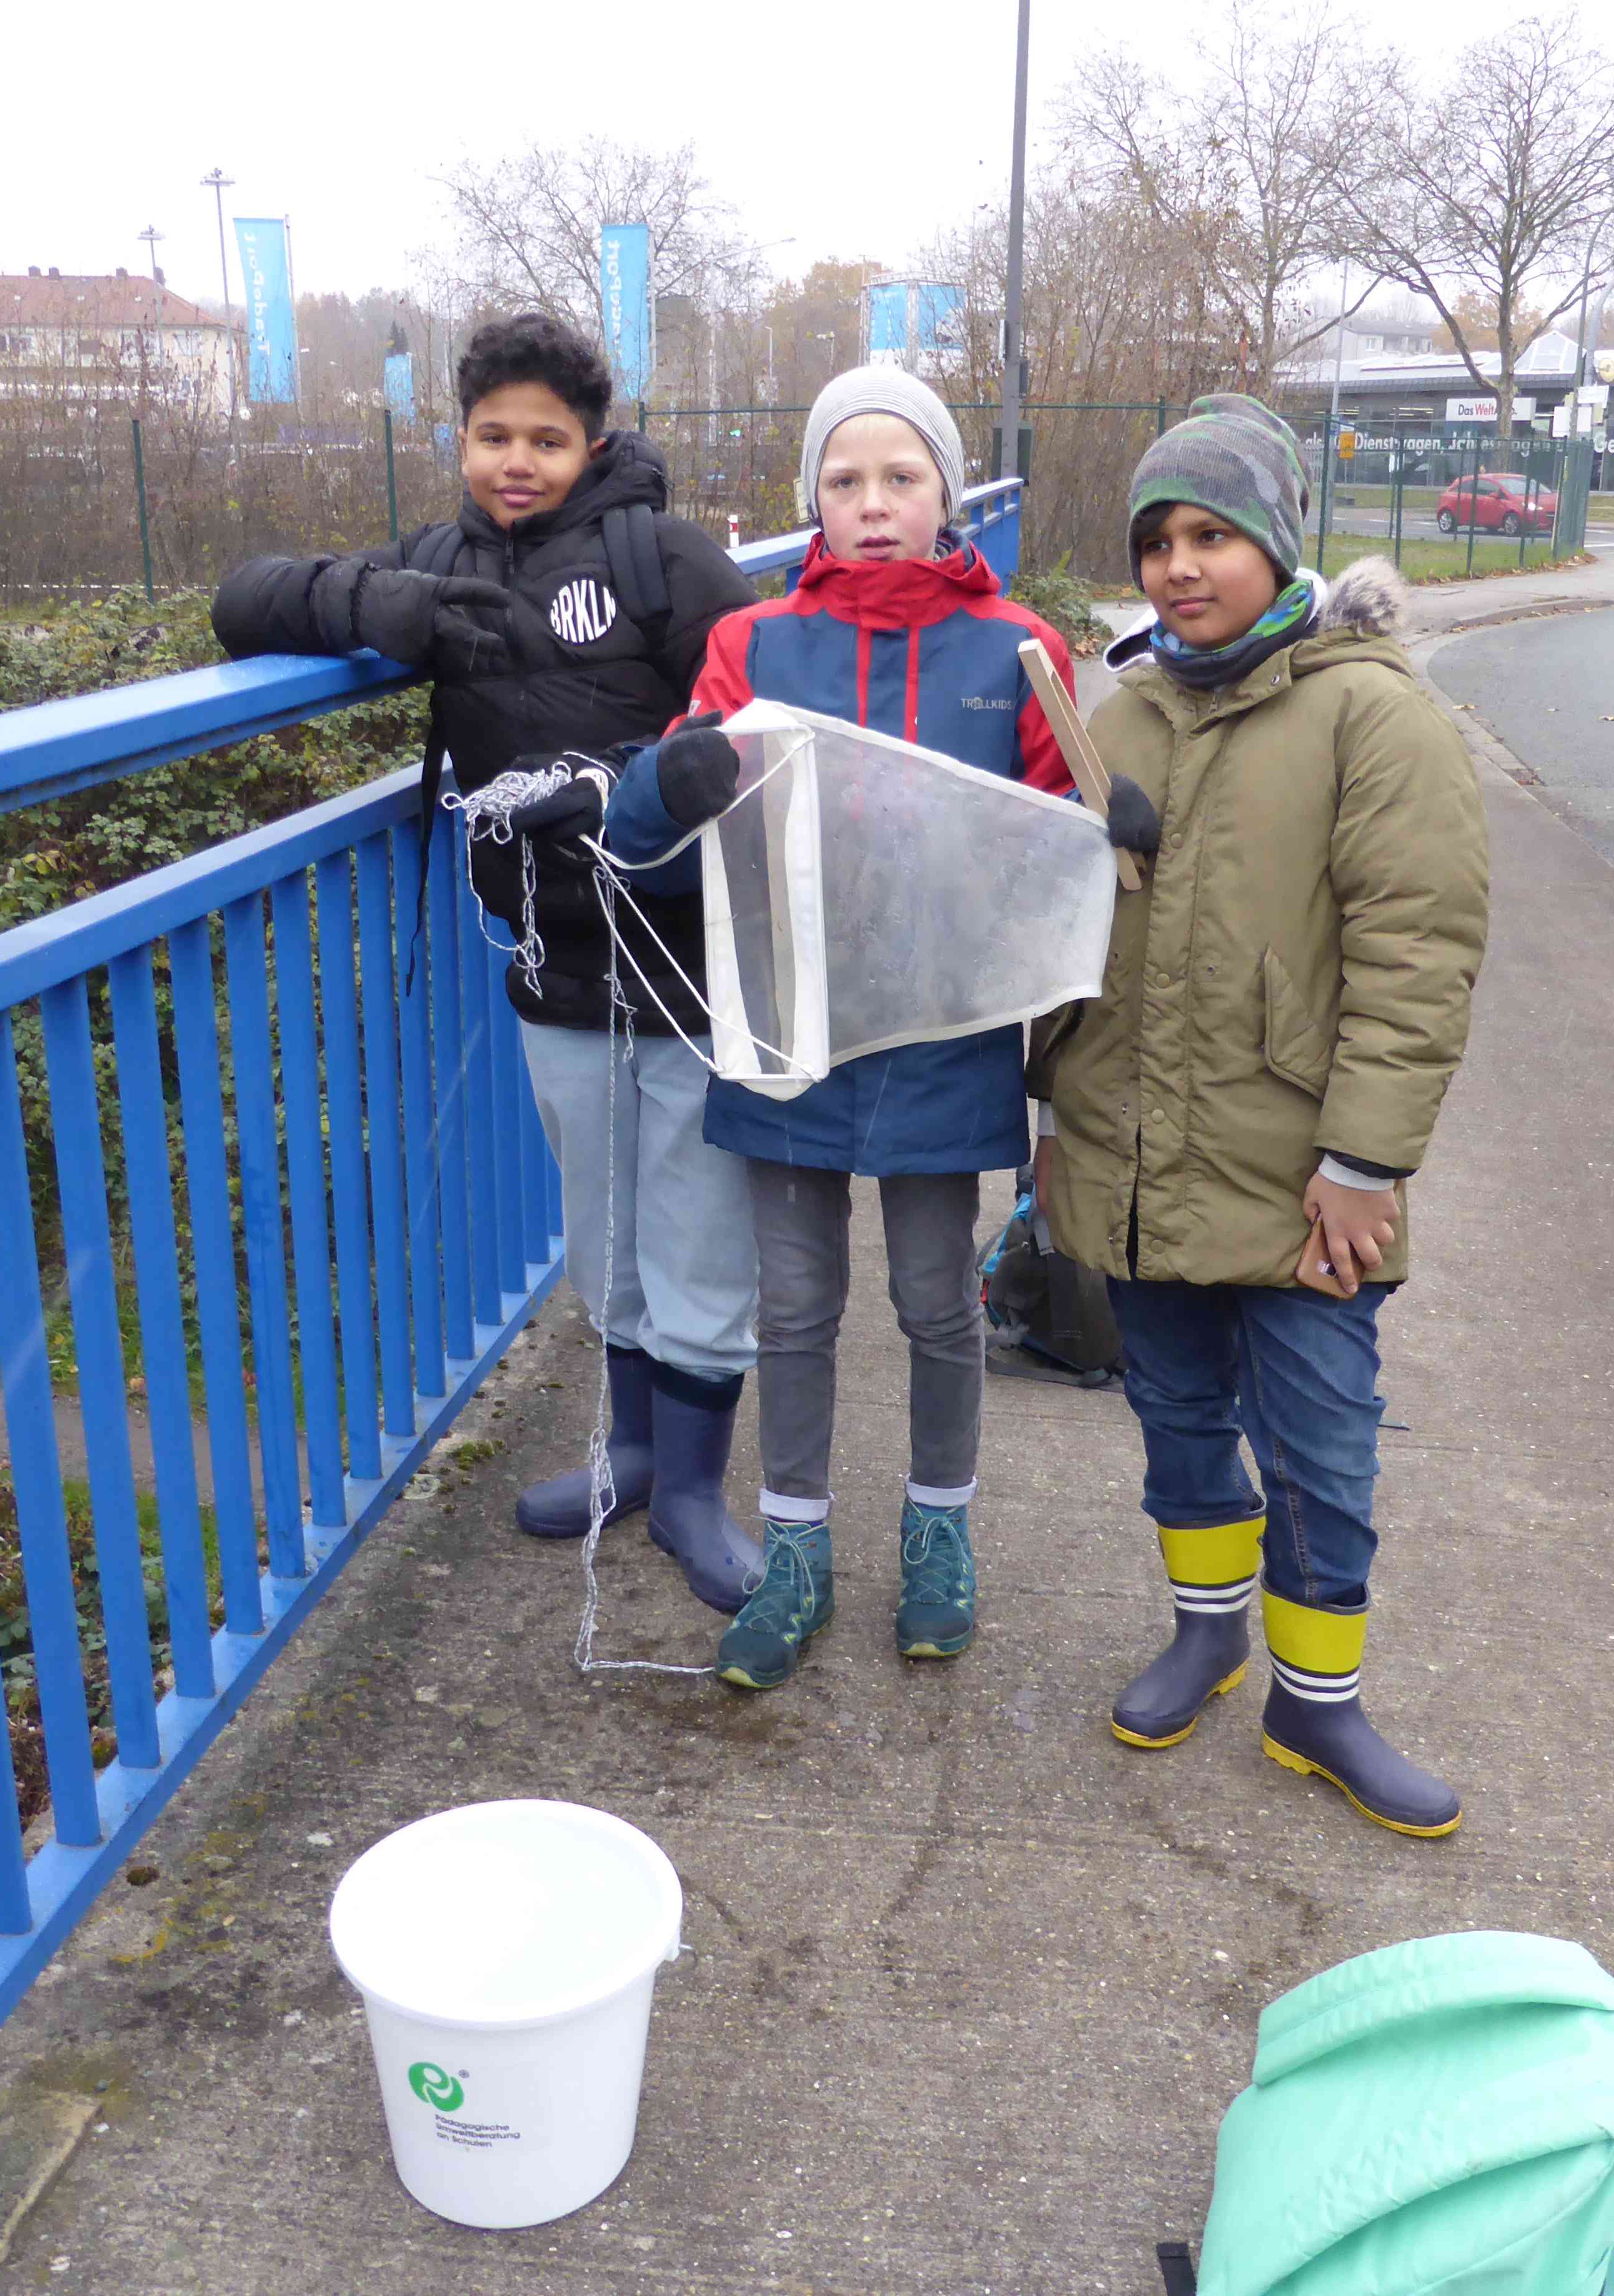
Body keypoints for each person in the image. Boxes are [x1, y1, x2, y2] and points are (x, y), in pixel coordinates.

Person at [210, 313, 765, 1613]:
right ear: (458, 439)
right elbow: (239, 603)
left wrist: (640, 787)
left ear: (597, 440)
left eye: (547, 440)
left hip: (689, 968)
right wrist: (373, 606)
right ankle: (629, 1458)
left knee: (696, 1239)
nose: (518, 462)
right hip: (553, 965)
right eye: (492, 437)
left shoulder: (661, 558)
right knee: (604, 1234)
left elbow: (763, 713)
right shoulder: (440, 563)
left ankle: (691, 1491)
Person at [575, 366, 1079, 1691]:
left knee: (933, 1302)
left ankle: (939, 1538)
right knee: (794, 1306)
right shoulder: (756, 646)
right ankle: (796, 1550)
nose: (872, 506)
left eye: (901, 478)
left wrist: (1113, 825)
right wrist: (662, 788)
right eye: (844, 481)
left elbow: (1060, 855)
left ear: (949, 494)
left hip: (941, 1034)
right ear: (811, 499)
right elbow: (658, 844)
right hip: (789, 1018)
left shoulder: (1019, 650)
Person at [1032, 395, 1491, 1836]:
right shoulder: (1123, 717)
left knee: (1322, 1450)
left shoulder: (1371, 712)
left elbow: (1417, 954)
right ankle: (1208, 1631)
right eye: (1158, 538)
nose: (1181, 565)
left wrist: (1364, 1165)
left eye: (1213, 534)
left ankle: (1323, 1700)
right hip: (1137, 1159)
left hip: (1302, 1175)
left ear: (1278, 542)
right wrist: (1056, 1110)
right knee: (1175, 1417)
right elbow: (1064, 944)